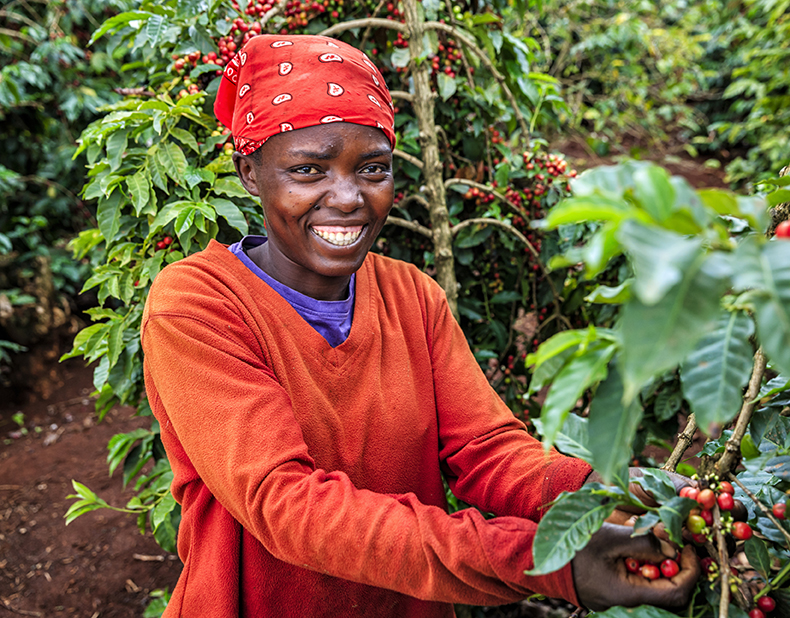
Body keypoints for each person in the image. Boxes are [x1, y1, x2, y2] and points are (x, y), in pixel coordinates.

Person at [140, 34, 699, 617]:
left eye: (372, 169)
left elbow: (486, 450)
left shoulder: (410, 295)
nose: (349, 198)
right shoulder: (197, 304)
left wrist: (604, 491)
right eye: (308, 170)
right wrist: (542, 559)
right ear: (251, 174)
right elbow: (286, 505)